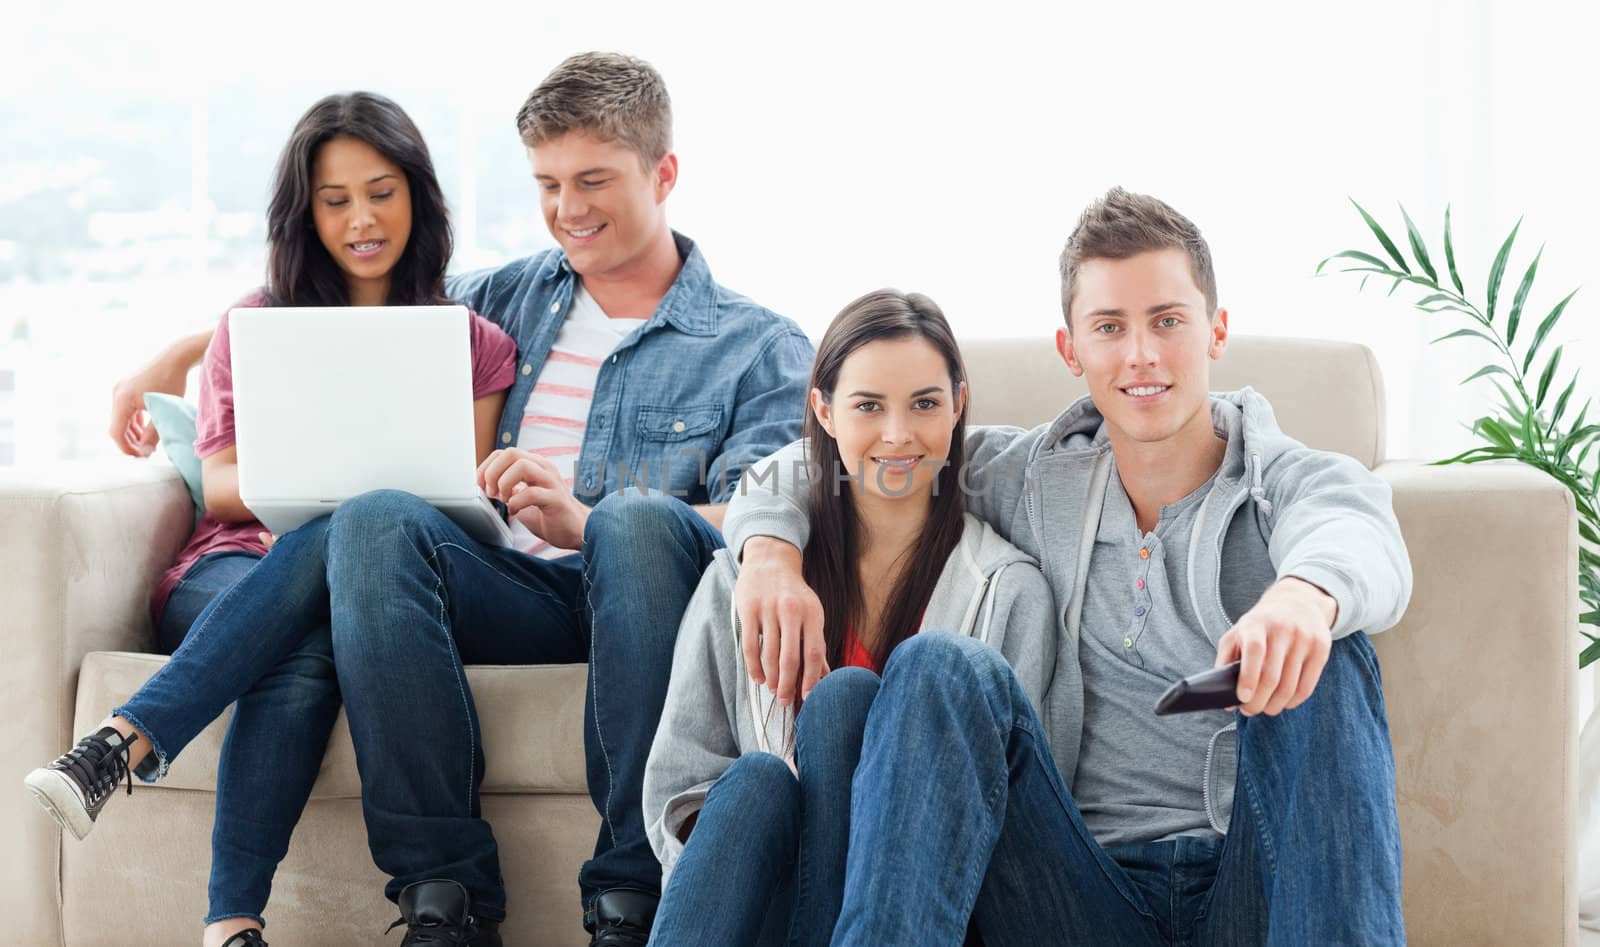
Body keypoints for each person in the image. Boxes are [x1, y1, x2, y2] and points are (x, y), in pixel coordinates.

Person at [81, 52, 813, 946]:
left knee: (632, 523)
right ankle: (446, 902)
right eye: (548, 184)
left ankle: (631, 899)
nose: (568, 211)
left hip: (643, 597)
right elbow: (350, 299)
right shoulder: (509, 297)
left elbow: (762, 518)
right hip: (510, 592)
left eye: (593, 181)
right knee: (377, 514)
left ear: (663, 174)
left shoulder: (756, 344)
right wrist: (177, 355)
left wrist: (583, 519)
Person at [725, 188, 1413, 945]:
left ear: (1216, 330)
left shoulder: (1282, 477)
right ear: (1071, 349)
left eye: (1168, 321)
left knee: (1335, 654)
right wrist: (769, 557)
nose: (1141, 354)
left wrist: (1304, 597)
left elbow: (1355, 524)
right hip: (1076, 891)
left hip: (1254, 886)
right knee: (937, 667)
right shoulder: (1032, 475)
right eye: (1110, 327)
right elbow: (842, 458)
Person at [25, 92, 517, 947]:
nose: (362, 218)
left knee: (323, 613)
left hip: (372, 587)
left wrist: (348, 506)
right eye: (335, 200)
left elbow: (456, 493)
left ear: (418, 198)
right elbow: (218, 487)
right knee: (328, 562)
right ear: (307, 212)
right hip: (232, 569)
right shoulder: (254, 323)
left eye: (382, 191)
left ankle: (143, 785)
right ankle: (219, 903)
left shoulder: (472, 340)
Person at [643, 290, 1054, 945]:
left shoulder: (1010, 592)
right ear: (823, 410)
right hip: (767, 899)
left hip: (922, 909)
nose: (898, 434)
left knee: (845, 701)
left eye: (925, 403)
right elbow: (679, 783)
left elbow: (1023, 808)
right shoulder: (742, 578)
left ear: (958, 406)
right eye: (868, 405)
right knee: (755, 781)